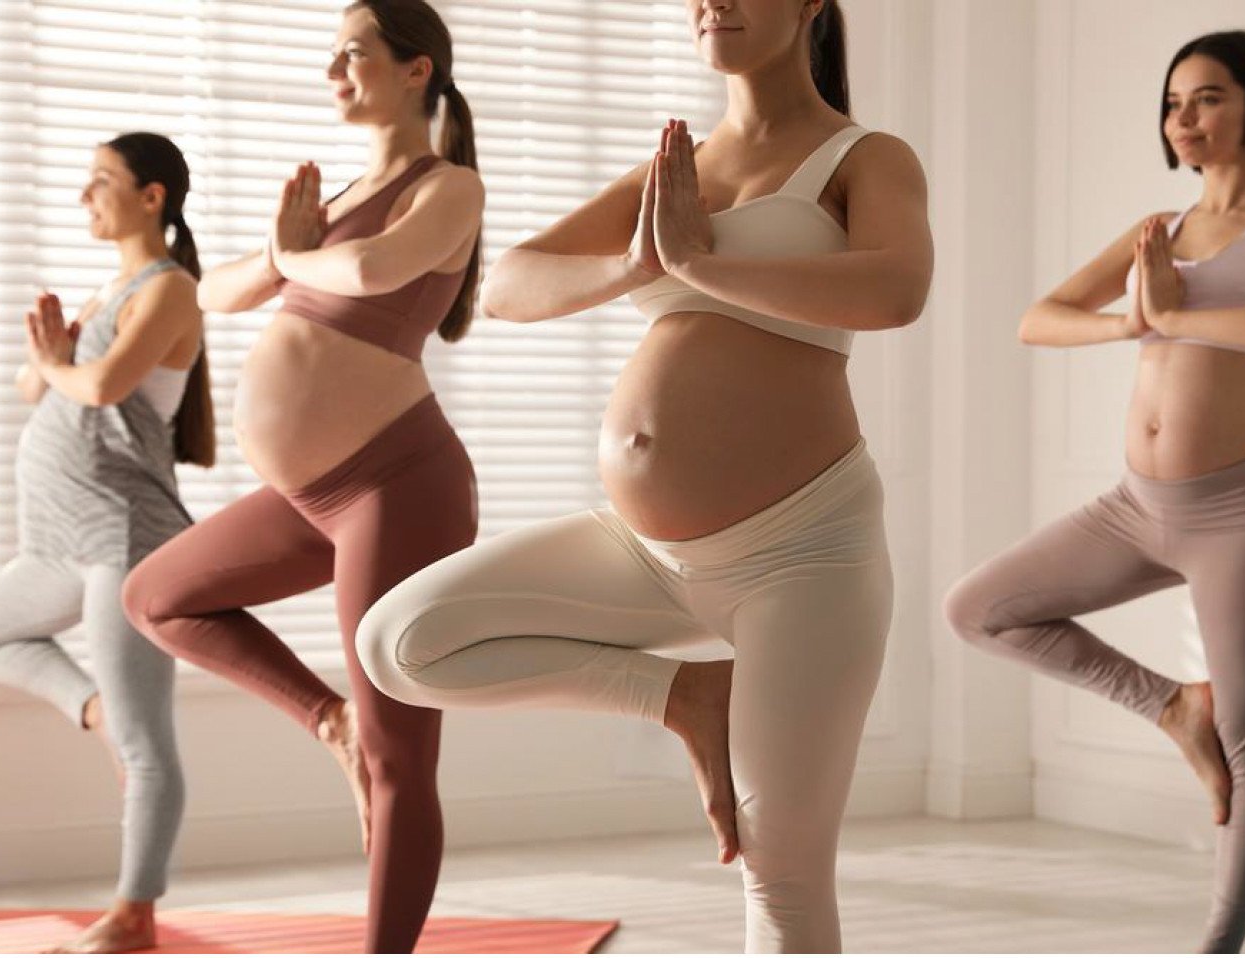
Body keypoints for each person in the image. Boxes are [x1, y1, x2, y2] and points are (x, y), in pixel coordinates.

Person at [355, 1, 932, 951]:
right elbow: (507, 284)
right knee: (399, 645)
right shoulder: (677, 170)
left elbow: (895, 291)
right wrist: (636, 264)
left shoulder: (866, 158)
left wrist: (699, 265)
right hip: (643, 549)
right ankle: (684, 696)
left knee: (780, 876)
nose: (716, 2)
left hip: (802, 554)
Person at [944, 30, 1245, 954]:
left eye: (1207, 97)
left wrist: (1176, 311)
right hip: (1135, 506)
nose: (1184, 118)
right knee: (977, 609)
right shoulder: (1159, 232)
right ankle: (1169, 707)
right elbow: (1039, 319)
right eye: (1171, 103)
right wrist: (1130, 322)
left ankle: (1218, 945)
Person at [120, 1, 483, 951]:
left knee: (401, 755)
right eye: (330, 55)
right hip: (308, 497)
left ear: (416, 70)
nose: (335, 69)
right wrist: (289, 245)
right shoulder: (325, 209)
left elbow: (375, 268)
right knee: (156, 596)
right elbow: (216, 291)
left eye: (354, 52)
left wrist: (290, 251)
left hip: (397, 483)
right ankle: (328, 723)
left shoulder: (448, 189)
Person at [0, 131, 212, 954]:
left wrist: (64, 364)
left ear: (152, 198)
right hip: (59, 537)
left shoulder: (171, 290)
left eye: (101, 181)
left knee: (146, 745)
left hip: (123, 535)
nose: (83, 195)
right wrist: (53, 355)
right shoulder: (110, 290)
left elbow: (99, 385)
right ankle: (94, 709)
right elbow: (37, 382)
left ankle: (134, 917)